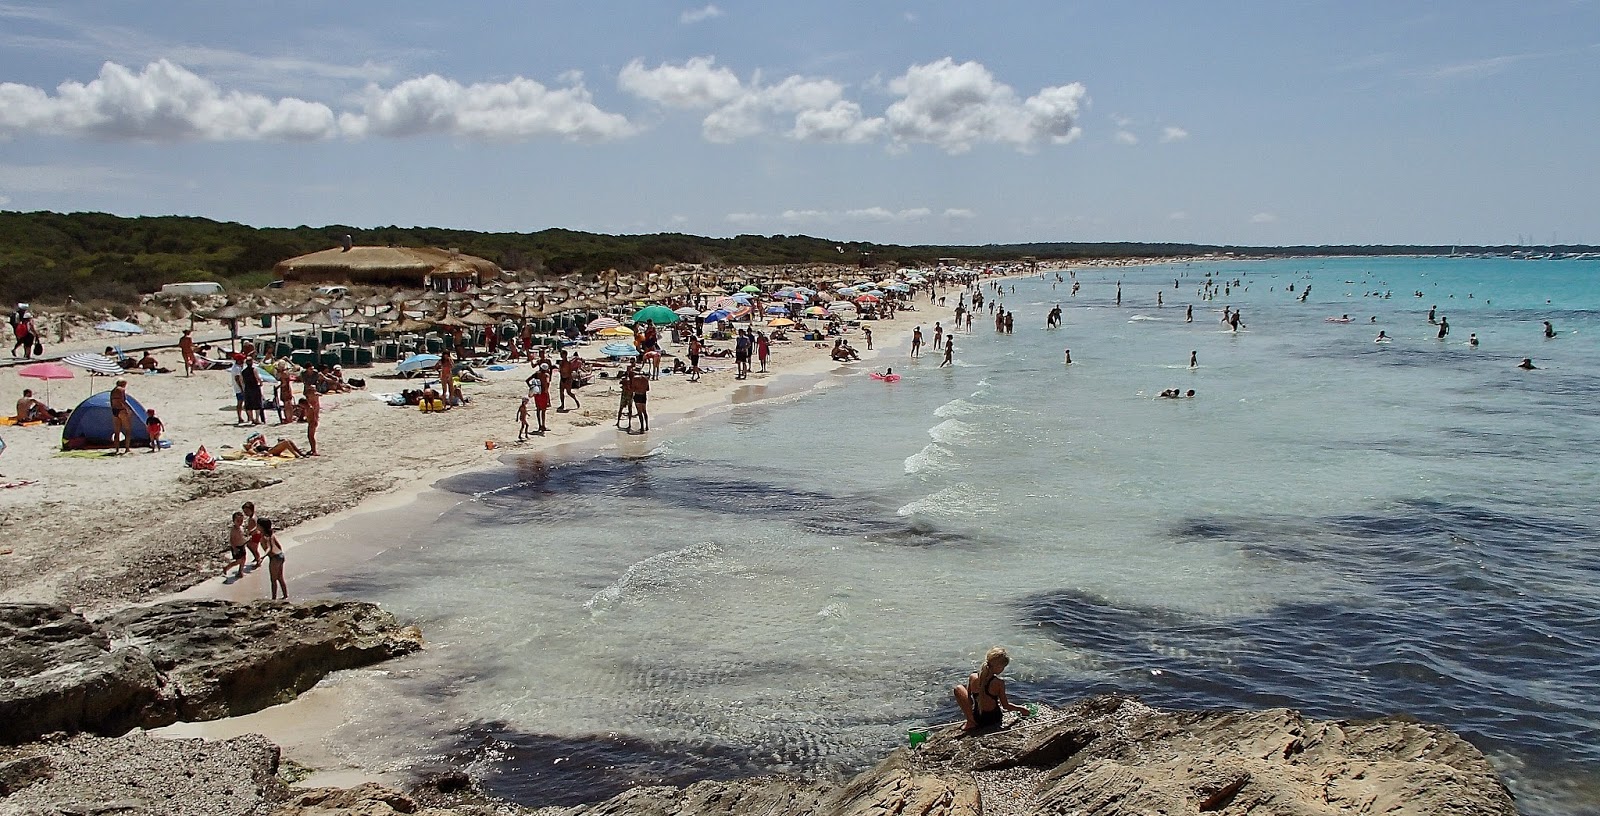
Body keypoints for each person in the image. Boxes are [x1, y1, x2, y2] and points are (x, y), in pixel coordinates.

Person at [954, 647, 1029, 731]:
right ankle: (972, 722)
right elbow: (1006, 706)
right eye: (1003, 667)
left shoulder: (973, 676)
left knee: (959, 688)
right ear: (998, 667)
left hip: (977, 717)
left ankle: (970, 721)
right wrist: (1021, 709)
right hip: (992, 720)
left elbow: (969, 699)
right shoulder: (999, 683)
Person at [260, 517, 287, 600]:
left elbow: (268, 548)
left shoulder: (264, 537)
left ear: (261, 527)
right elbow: (279, 546)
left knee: (273, 580)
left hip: (274, 558)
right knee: (280, 578)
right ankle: (285, 596)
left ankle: (273, 598)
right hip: (280, 555)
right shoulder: (271, 534)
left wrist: (263, 556)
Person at [109, 379, 133, 455]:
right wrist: (128, 409)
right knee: (127, 430)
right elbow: (123, 401)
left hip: (114, 410)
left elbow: (111, 402)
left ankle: (117, 449)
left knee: (117, 432)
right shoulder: (121, 390)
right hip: (121, 410)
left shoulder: (113, 391)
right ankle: (127, 449)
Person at [628, 363, 650, 433]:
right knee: (644, 411)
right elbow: (648, 389)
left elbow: (633, 389)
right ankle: (647, 426)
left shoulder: (635, 378)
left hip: (637, 395)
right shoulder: (645, 379)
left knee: (639, 412)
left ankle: (642, 427)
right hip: (643, 395)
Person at [241, 501, 263, 568]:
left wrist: (250, 532)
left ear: (252, 510)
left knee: (253, 548)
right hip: (255, 534)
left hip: (255, 535)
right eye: (244, 512)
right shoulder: (253, 516)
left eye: (247, 511)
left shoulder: (252, 519)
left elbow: (256, 527)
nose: (246, 513)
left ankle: (258, 560)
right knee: (251, 547)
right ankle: (257, 557)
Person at [304, 387, 321, 456]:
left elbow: (314, 412)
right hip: (312, 420)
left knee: (311, 436)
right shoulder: (311, 401)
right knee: (310, 436)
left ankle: (314, 450)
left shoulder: (313, 402)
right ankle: (312, 449)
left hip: (313, 421)